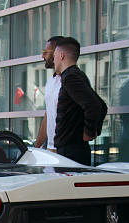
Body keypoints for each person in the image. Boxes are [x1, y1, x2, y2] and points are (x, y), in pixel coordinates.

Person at [53, 37, 107, 166]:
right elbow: (101, 106)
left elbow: (94, 105)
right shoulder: (75, 75)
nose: (53, 60)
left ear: (61, 56)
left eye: (54, 56)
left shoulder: (71, 77)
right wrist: (93, 130)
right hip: (73, 149)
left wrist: (89, 132)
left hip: (71, 150)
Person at [35, 36, 64, 151]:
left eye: (45, 52)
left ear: (58, 53)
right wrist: (36, 148)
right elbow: (48, 116)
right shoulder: (50, 82)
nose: (43, 56)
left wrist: (88, 134)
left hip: (66, 149)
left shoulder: (71, 80)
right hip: (51, 149)